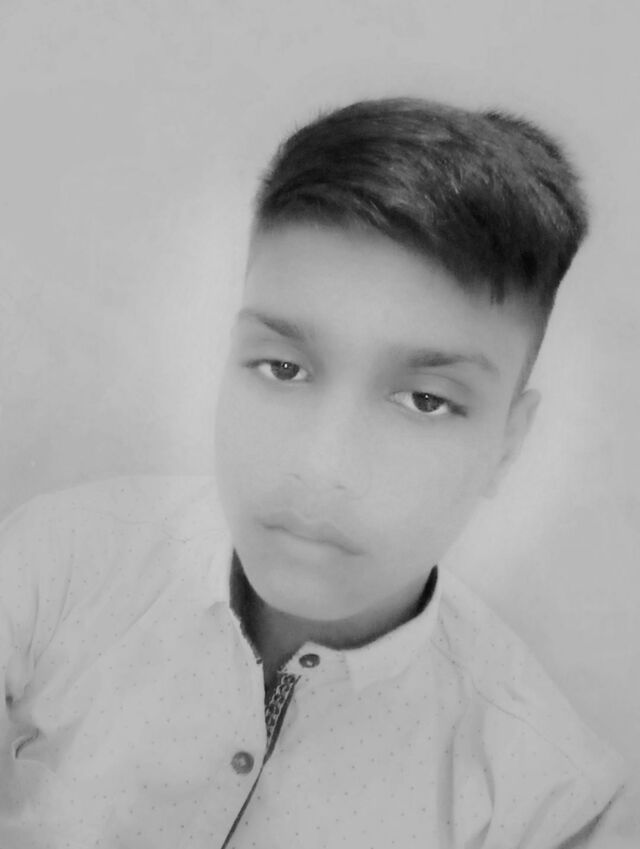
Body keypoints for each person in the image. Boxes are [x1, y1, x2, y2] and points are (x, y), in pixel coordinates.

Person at [0, 98, 637, 848]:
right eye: (283, 367)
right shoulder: (58, 563)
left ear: (507, 443)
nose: (321, 465)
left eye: (425, 401)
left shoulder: (550, 806)